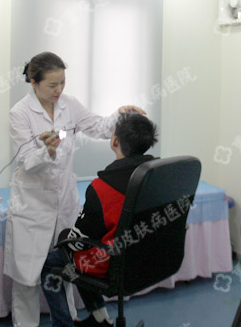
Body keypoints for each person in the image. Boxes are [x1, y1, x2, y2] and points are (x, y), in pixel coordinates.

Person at [3, 51, 145, 327]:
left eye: (62, 83)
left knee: (67, 268)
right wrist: (46, 151)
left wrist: (119, 114)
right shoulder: (20, 113)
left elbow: (98, 127)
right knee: (26, 278)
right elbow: (26, 162)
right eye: (52, 85)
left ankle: (68, 320)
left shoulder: (69, 105)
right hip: (32, 206)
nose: (59, 90)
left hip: (64, 203)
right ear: (33, 82)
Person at [40, 112, 158, 327]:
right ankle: (100, 318)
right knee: (79, 253)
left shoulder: (102, 188)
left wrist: (65, 238)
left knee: (54, 260)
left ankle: (64, 324)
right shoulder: (156, 176)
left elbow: (80, 240)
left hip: (114, 263)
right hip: (147, 258)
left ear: (114, 142)